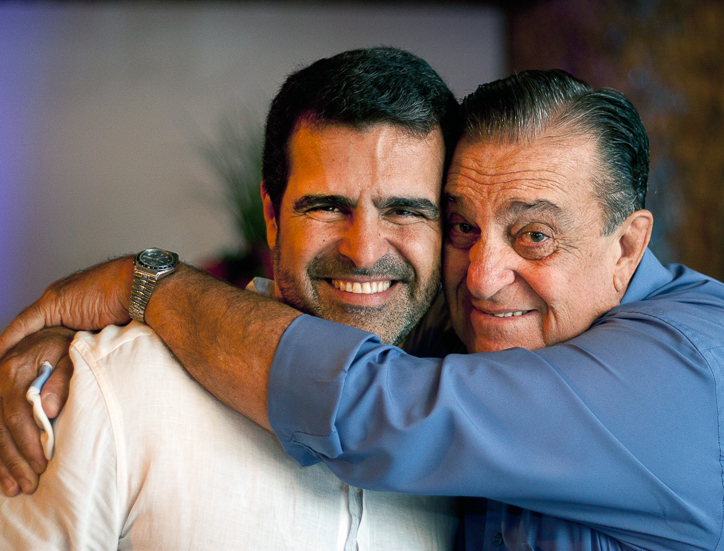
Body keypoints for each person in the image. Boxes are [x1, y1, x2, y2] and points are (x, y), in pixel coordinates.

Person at [1, 70, 724, 550]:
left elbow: (371, 406)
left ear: (627, 245)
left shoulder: (700, 372)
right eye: (461, 226)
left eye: (534, 234)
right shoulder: (109, 398)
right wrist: (86, 350)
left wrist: (144, 283)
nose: (483, 275)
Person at [0, 46, 462, 549]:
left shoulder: (465, 433)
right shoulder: (109, 389)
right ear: (272, 216)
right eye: (328, 207)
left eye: (405, 211)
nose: (364, 250)